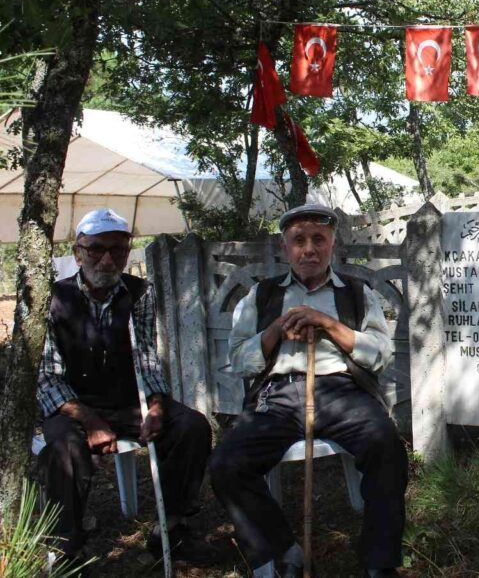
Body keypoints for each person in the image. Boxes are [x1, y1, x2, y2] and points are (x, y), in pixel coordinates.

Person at [209, 203, 407, 578]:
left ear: (333, 244)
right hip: (278, 397)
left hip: (343, 392)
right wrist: (275, 331)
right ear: (286, 248)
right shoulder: (260, 297)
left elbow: (380, 356)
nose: (309, 249)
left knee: (386, 448)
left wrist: (330, 326)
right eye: (299, 240)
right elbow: (237, 362)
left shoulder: (356, 293)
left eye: (319, 239)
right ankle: (282, 551)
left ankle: (379, 562)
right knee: (226, 464)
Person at [37, 208, 214, 568]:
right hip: (74, 405)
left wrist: (156, 406)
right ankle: (66, 546)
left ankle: (172, 528)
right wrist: (90, 421)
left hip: (126, 400)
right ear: (77, 252)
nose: (107, 258)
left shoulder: (138, 293)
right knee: (62, 446)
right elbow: (48, 377)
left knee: (191, 427)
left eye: (118, 250)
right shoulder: (52, 299)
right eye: (96, 249)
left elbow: (145, 357)